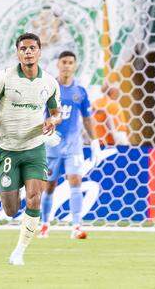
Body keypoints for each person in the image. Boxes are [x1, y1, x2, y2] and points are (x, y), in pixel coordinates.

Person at [0, 33, 61, 266]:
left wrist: (51, 122)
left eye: (32, 48)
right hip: (7, 149)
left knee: (35, 198)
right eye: (23, 48)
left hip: (35, 148)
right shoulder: (5, 78)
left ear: (39, 51)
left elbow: (57, 114)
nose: (28, 52)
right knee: (10, 209)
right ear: (17, 52)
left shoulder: (49, 83)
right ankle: (15, 194)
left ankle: (19, 252)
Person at [39, 51, 98, 240]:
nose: (67, 65)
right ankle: (44, 224)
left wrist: (94, 142)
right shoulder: (49, 89)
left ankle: (76, 226)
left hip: (73, 146)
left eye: (70, 62)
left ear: (75, 65)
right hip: (52, 147)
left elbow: (87, 119)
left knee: (75, 180)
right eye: (64, 61)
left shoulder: (80, 92)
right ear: (58, 64)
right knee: (49, 186)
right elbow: (39, 115)